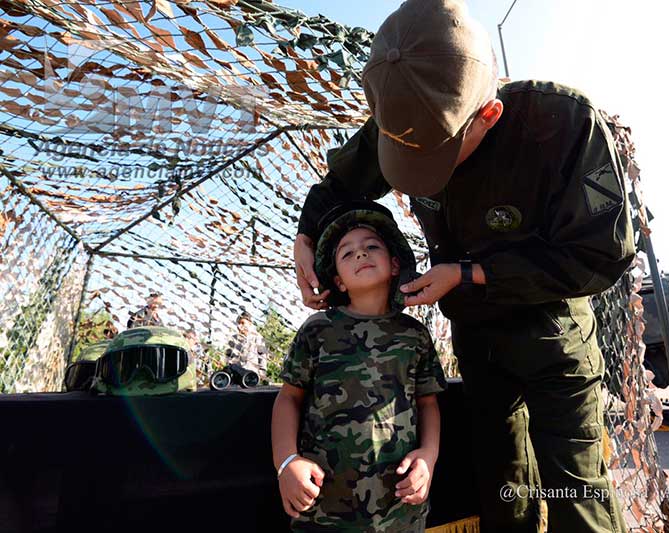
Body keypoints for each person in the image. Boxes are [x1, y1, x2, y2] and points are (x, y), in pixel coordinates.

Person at [292, 1, 636, 531]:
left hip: (552, 339)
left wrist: (470, 273)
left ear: (488, 115)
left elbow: (601, 255)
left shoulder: (564, 125)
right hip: (477, 340)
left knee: (578, 494)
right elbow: (339, 184)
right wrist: (305, 237)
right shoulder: (407, 112)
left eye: (439, 156)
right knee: (503, 489)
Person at [273, 201, 448, 532]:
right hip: (324, 509)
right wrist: (286, 462)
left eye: (371, 246)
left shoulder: (415, 336)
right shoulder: (318, 330)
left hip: (399, 511)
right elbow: (289, 398)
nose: (360, 254)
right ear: (338, 281)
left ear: (395, 264)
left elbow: (428, 403)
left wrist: (429, 454)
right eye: (346, 253)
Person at [225, 310, 267, 381]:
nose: (240, 326)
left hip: (251, 376)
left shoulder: (257, 337)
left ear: (250, 323)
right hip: (235, 377)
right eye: (238, 323)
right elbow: (228, 357)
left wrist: (262, 372)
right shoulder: (233, 339)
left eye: (242, 323)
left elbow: (262, 356)